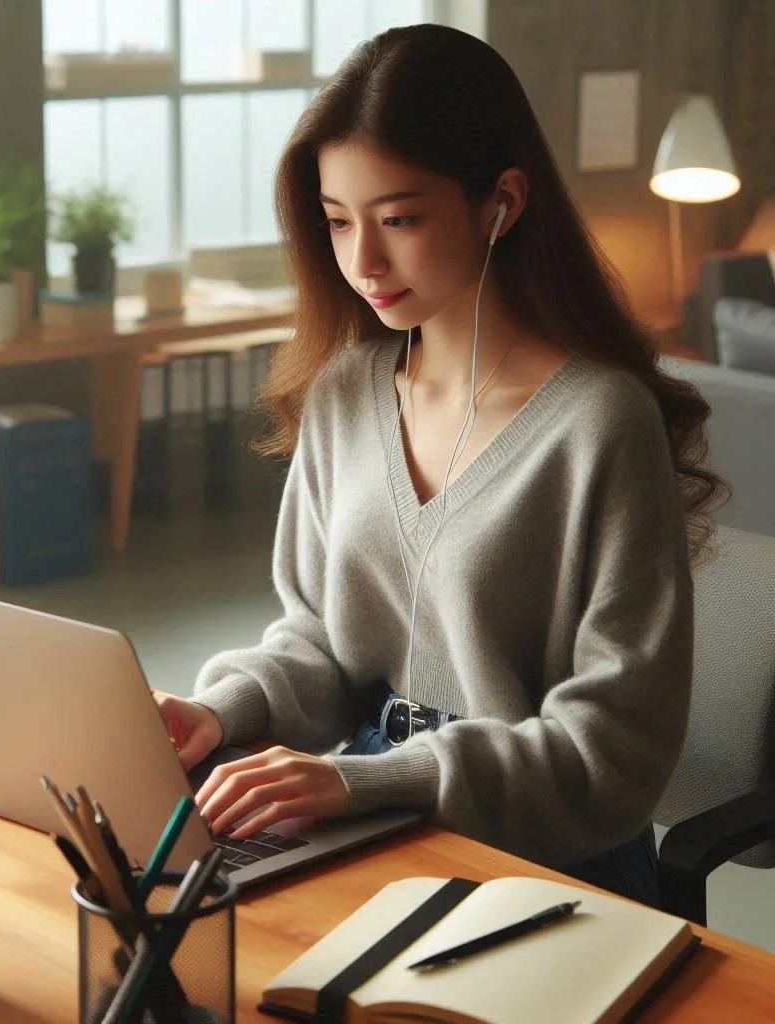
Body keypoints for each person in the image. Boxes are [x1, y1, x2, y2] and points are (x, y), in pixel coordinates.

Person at [154, 24, 725, 904]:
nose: (362, 262)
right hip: (378, 826)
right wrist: (224, 713)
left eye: (400, 219)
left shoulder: (600, 425)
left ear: (501, 202)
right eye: (338, 222)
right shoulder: (346, 392)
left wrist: (379, 779)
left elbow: (609, 753)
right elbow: (321, 643)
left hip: (549, 865)